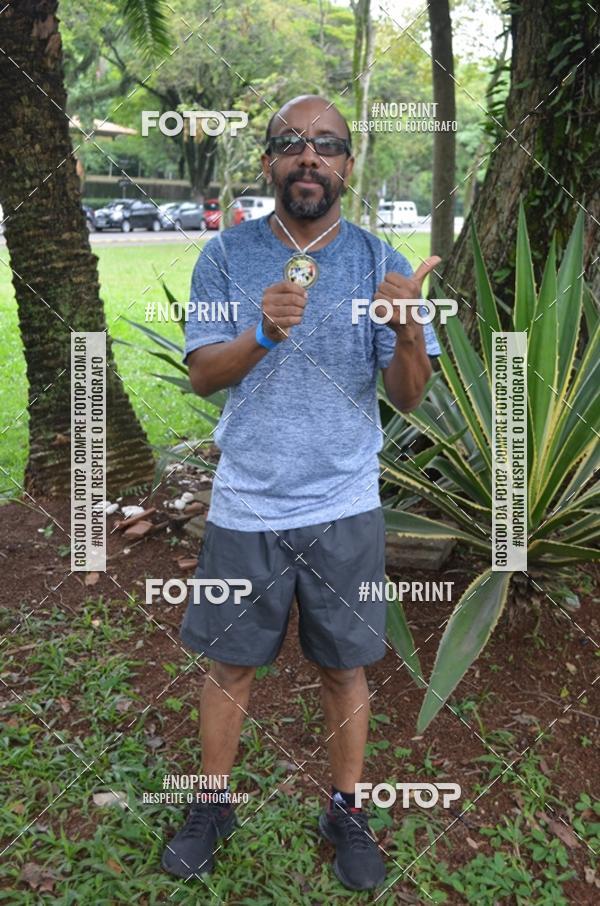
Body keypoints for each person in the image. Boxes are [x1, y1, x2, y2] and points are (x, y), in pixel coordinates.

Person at [161, 94, 441, 891]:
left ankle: (345, 808)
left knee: (344, 667)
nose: (309, 157)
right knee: (230, 665)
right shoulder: (225, 256)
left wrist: (411, 328)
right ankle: (212, 804)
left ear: (348, 165)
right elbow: (202, 373)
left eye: (326, 145)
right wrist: (261, 333)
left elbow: (410, 396)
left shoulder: (378, 259)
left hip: (344, 502)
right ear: (269, 165)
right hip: (248, 499)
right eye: (292, 144)